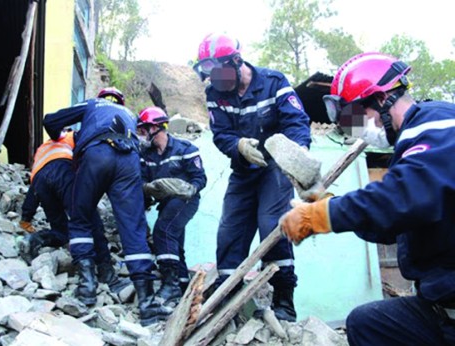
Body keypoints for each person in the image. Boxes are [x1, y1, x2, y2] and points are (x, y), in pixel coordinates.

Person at [280, 52, 455, 345]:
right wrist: (329, 203)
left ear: (381, 99)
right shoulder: (412, 144)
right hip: (441, 306)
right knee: (368, 324)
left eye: (354, 116)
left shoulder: (438, 125)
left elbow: (402, 197)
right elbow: (390, 224)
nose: (355, 128)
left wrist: (324, 215)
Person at [192, 33, 312, 322]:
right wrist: (239, 147)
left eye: (220, 74)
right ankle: (228, 302)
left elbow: (296, 121)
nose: (217, 82)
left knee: (272, 224)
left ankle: (284, 301)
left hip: (275, 167)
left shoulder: (273, 82)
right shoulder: (215, 95)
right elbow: (221, 134)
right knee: (229, 231)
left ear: (236, 61)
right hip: (244, 169)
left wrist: (295, 154)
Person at [43, 95, 171, 325]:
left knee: (81, 218)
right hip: (129, 159)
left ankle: (87, 287)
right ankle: (147, 302)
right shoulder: (129, 114)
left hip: (97, 154)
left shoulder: (92, 104)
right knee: (133, 228)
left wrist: (58, 138)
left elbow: (51, 121)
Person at [19, 88, 132, 296]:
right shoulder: (76, 135)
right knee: (88, 218)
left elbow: (33, 189)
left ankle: (34, 240)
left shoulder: (43, 148)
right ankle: (106, 272)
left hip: (40, 180)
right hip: (63, 170)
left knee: (62, 232)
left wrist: (26, 217)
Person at [136, 106, 207, 307]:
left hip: (186, 200)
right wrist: (148, 190)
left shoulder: (185, 149)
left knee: (164, 230)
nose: (142, 135)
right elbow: (141, 181)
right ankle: (183, 286)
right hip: (166, 203)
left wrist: (190, 188)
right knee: (175, 244)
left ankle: (170, 285)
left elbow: (200, 178)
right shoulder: (146, 156)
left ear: (156, 127)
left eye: (144, 129)